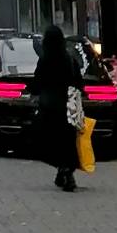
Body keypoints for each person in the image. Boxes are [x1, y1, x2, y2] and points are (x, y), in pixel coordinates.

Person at [26, 24, 82, 193]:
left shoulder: (45, 59)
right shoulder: (69, 59)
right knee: (67, 141)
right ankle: (66, 171)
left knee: (51, 140)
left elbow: (37, 81)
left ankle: (62, 170)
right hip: (68, 107)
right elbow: (78, 81)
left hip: (49, 106)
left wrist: (32, 92)